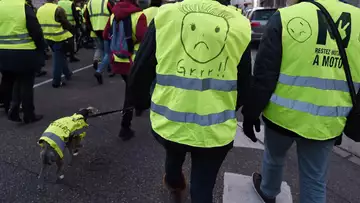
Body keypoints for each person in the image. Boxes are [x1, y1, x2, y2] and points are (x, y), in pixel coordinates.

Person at [127, 0, 252, 201]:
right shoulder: (238, 22)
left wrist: (139, 101)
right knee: (203, 189)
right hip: (215, 128)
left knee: (174, 151)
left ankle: (174, 181)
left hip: (170, 120)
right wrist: (233, 106)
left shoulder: (166, 15)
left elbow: (141, 67)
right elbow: (245, 80)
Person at [241, 0, 360, 203]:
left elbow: (264, 74)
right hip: (328, 120)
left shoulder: (285, 17)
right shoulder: (357, 19)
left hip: (282, 116)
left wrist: (251, 112)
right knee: (314, 180)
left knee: (274, 158)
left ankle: (268, 191)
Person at [102, 0, 147, 140]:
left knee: (131, 89)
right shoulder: (139, 15)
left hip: (118, 60)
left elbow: (105, 35)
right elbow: (143, 38)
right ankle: (125, 127)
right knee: (130, 94)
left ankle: (138, 107)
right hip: (132, 61)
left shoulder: (113, 15)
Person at [0, 0, 45, 123]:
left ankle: (11, 106)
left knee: (11, 79)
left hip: (3, 50)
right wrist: (41, 48)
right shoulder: (23, 7)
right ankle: (28, 114)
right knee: (26, 83)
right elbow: (36, 31)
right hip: (24, 50)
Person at [37, 0, 74, 88]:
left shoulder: (40, 9)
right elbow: (65, 23)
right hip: (58, 37)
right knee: (57, 59)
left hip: (46, 36)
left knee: (61, 56)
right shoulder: (58, 9)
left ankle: (67, 73)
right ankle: (56, 81)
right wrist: (72, 30)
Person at [84, 0, 114, 75]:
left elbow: (86, 17)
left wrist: (91, 28)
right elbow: (114, 14)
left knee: (103, 49)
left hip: (96, 29)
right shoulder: (107, 2)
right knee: (109, 51)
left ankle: (108, 66)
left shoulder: (89, 3)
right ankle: (103, 68)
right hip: (107, 29)